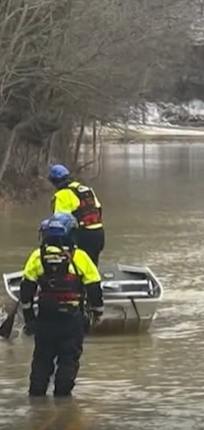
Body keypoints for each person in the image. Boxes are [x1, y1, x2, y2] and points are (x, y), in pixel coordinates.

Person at [19, 213, 104, 397]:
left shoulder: (37, 257)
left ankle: (36, 401)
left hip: (45, 318)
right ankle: (63, 403)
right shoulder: (80, 257)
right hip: (72, 319)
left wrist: (29, 319)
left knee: (41, 360)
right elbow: (94, 288)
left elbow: (26, 291)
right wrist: (97, 313)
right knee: (68, 360)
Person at [49, 164, 105, 265]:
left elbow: (59, 223)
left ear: (54, 181)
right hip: (99, 233)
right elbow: (99, 209)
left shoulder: (62, 195)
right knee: (91, 266)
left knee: (78, 266)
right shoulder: (86, 189)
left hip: (83, 235)